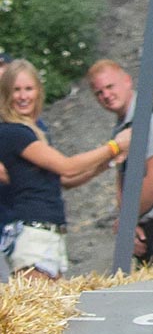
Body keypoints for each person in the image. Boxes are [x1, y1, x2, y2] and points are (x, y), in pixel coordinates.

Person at [0, 60, 130, 280]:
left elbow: (62, 180)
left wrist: (106, 163)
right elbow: (67, 167)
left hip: (49, 233)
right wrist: (114, 146)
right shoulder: (14, 133)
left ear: (38, 92)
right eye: (16, 90)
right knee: (37, 309)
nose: (23, 97)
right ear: (6, 95)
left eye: (28, 89)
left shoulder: (35, 130)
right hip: (31, 234)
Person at [86, 61, 153, 265]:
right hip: (146, 226)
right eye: (99, 92)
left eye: (110, 87)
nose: (106, 95)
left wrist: (127, 221)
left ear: (127, 81)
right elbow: (122, 179)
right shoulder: (123, 126)